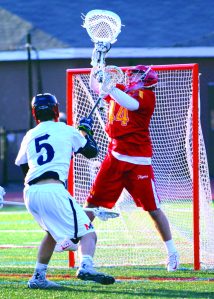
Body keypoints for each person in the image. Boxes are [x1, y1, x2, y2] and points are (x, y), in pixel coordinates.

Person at [84, 65, 180, 272]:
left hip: (138, 161)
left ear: (145, 79)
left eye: (135, 74)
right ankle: (73, 235)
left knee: (153, 209)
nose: (130, 76)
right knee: (91, 203)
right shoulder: (118, 90)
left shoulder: (146, 96)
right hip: (115, 156)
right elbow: (95, 87)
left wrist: (109, 87)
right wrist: (95, 65)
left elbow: (130, 104)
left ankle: (172, 252)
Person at [15, 93, 115, 289]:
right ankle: (86, 265)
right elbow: (92, 151)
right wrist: (86, 130)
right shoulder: (68, 130)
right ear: (55, 110)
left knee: (51, 233)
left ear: (35, 113)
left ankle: (38, 276)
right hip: (53, 189)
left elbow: (23, 165)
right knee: (89, 233)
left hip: (31, 193)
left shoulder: (30, 134)